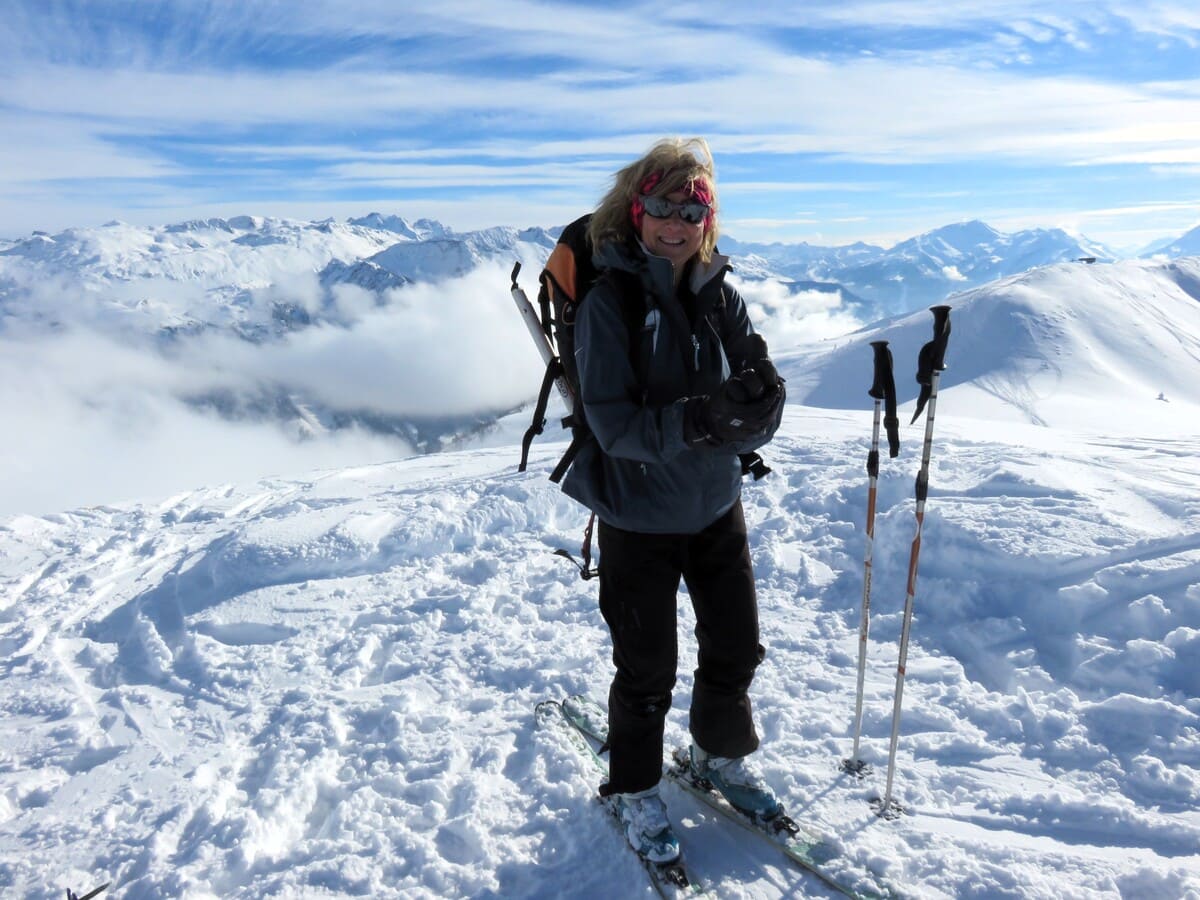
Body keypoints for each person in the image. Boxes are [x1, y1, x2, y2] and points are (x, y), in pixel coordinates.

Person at [561, 137, 786, 863]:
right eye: (660, 205)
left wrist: (761, 405)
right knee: (647, 665)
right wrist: (702, 419)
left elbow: (755, 395)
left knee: (735, 646)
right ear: (636, 209)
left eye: (692, 208)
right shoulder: (611, 302)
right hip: (636, 514)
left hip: (715, 503)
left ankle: (716, 756)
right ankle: (632, 787)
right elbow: (613, 425)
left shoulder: (720, 294)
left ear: (708, 218)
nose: (675, 221)